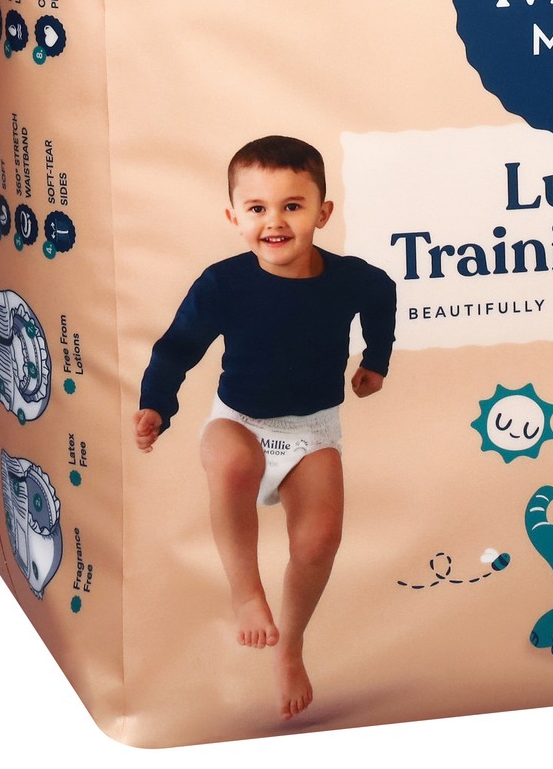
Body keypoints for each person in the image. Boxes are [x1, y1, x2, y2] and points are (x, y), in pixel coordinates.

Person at [132, 135, 396, 720]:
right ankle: (246, 592)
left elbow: (382, 294)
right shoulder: (223, 284)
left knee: (319, 539)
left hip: (313, 430)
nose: (274, 221)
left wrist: (376, 359)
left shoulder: (351, 279)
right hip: (240, 421)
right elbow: (177, 348)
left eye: (291, 206)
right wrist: (157, 405)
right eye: (257, 208)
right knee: (233, 460)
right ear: (234, 217)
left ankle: (291, 645)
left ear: (322, 213)